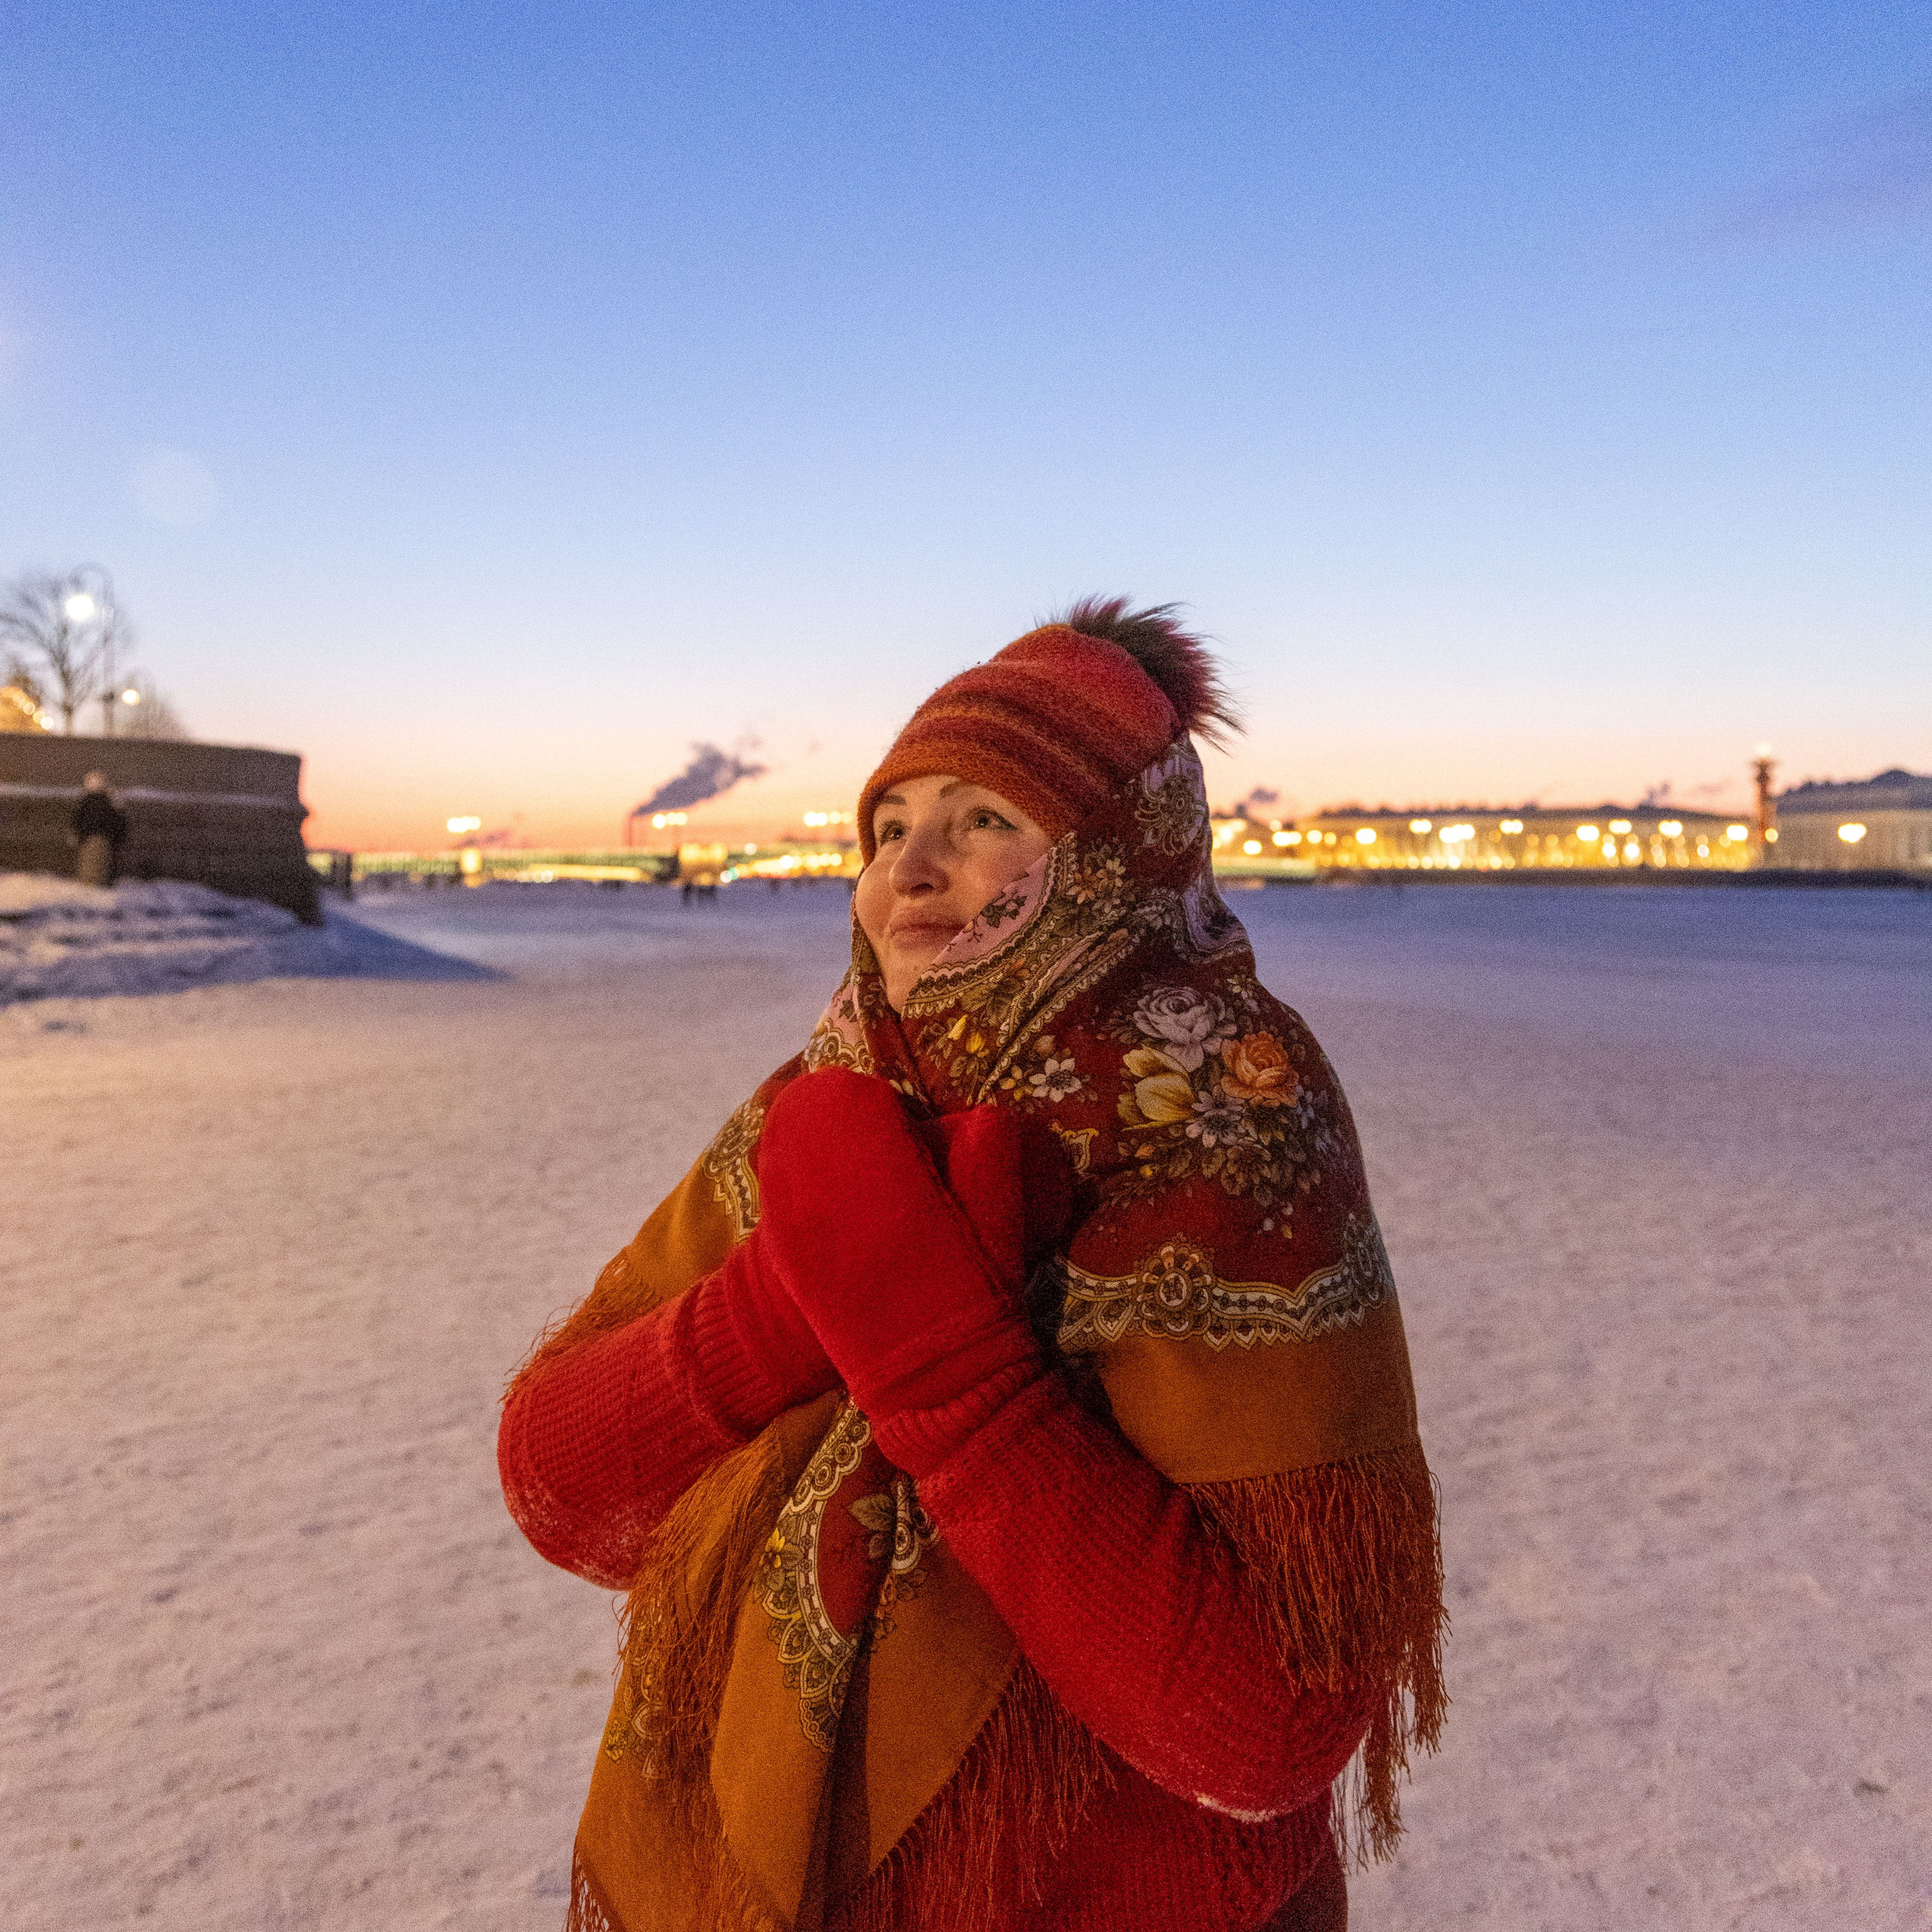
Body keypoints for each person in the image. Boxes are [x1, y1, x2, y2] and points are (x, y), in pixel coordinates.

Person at [499, 600, 1444, 1932]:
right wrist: (780, 1305)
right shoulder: (834, 1096)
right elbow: (558, 1485)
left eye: (986, 818)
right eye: (890, 828)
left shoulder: (1225, 1110)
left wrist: (953, 1376)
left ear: (1122, 856)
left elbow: (1267, 1726)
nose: (910, 872)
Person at [72, 771, 128, 888]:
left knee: (88, 863)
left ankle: (88, 883)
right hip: (106, 839)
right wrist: (119, 838)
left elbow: (78, 820)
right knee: (103, 863)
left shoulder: (85, 802)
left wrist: (77, 834)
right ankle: (102, 883)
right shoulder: (110, 801)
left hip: (87, 838)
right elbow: (118, 820)